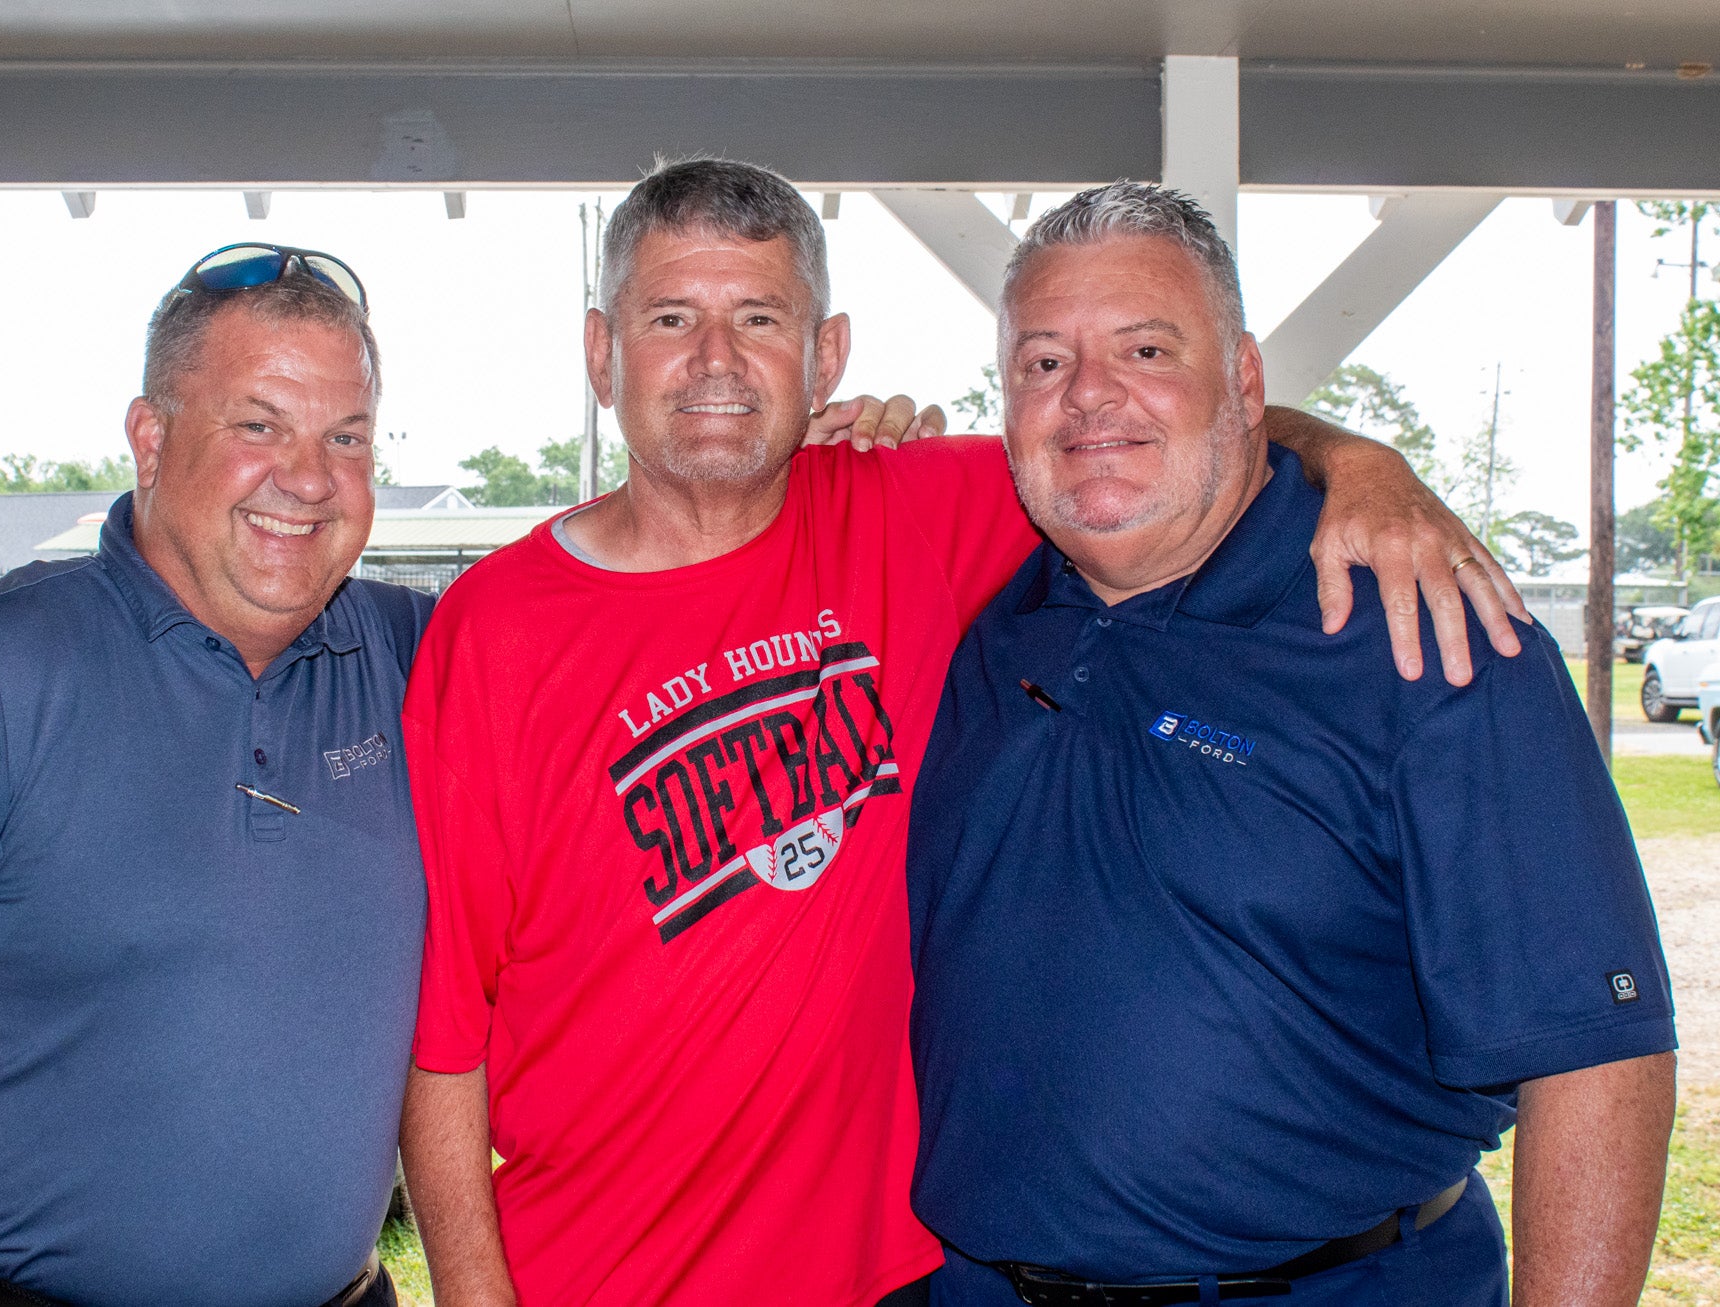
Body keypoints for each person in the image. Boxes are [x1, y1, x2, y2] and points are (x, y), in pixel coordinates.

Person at [397, 158, 1527, 1307]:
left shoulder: (916, 508)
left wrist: (1355, 461)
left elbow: (1152, 427)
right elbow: (441, 1041)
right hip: (598, 1273)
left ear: (824, 355)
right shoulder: (492, 629)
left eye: (758, 318)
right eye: (670, 318)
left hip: (894, 1272)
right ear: (601, 353)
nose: (715, 361)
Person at [907, 183, 1677, 1307]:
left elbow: (1595, 1055)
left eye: (1145, 347)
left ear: (1244, 382)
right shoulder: (984, 618)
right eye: (1041, 362)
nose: (1087, 397)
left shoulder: (1427, 636)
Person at [0, 244, 430, 1307]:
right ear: (151, 437)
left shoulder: (417, 658)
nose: (308, 479)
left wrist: (800, 483)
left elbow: (641, 636)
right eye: (257, 424)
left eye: (345, 436)